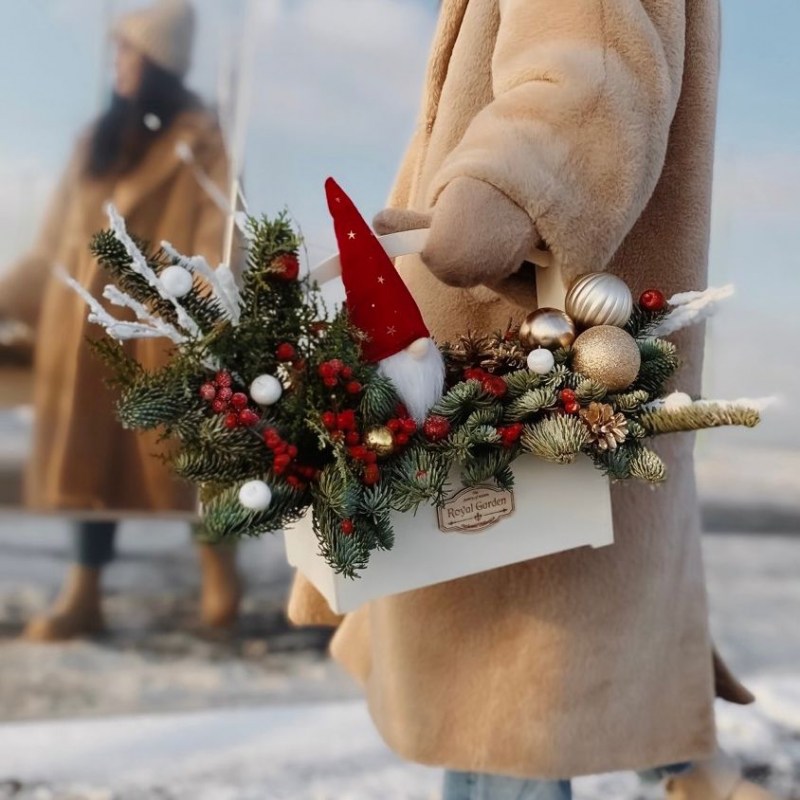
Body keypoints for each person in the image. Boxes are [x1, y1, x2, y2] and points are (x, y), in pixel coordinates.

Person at [289, 1, 775, 798]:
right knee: (548, 650)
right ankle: (687, 766)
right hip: (553, 347)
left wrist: (512, 182)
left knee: (510, 683)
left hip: (522, 343)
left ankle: (685, 763)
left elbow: (594, 67)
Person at [0, 0, 241, 641]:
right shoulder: (95, 143)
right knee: (87, 466)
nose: (119, 62)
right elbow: (52, 248)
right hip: (77, 328)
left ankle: (219, 568)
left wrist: (206, 311)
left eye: (131, 50)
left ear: (162, 59)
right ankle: (85, 592)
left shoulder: (204, 142)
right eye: (118, 50)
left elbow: (219, 238)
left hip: (153, 329)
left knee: (190, 457)